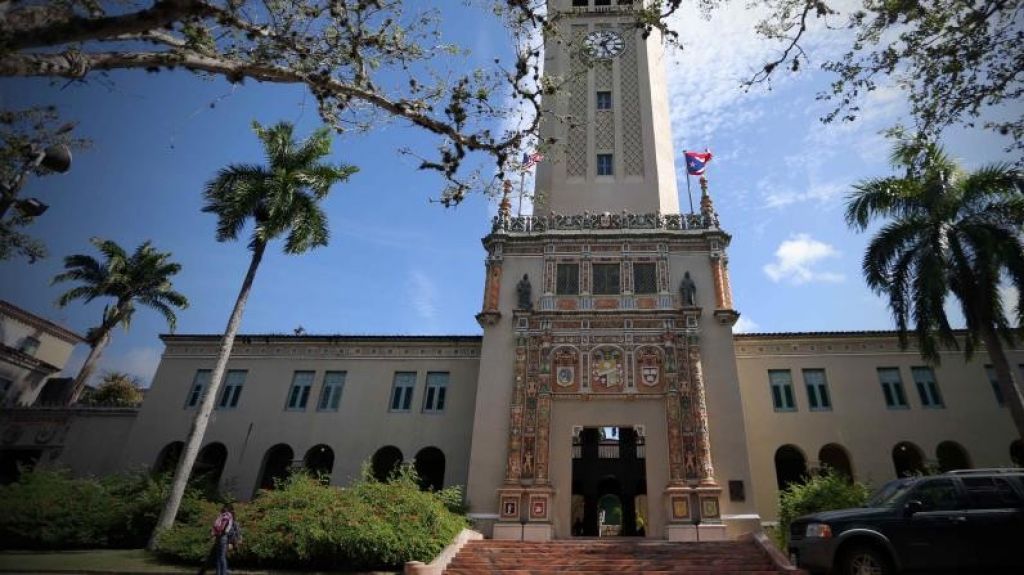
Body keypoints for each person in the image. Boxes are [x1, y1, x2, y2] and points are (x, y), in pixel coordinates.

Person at [199, 504, 236, 575]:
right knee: (219, 558)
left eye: (224, 507)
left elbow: (223, 527)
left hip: (222, 537)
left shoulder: (226, 515)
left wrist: (216, 532)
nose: (222, 508)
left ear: (227, 509)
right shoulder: (223, 515)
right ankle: (218, 573)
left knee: (221, 557)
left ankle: (223, 573)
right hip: (219, 537)